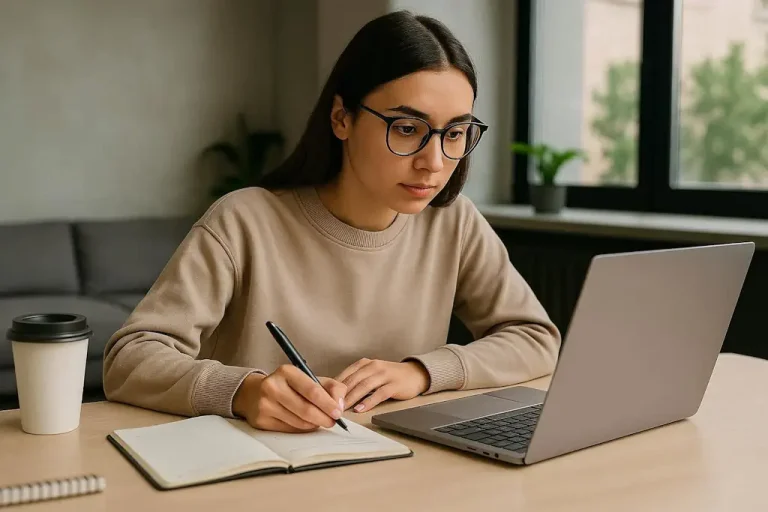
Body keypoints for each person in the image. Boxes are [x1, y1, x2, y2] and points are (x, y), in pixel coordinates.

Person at [102, 10, 561, 433]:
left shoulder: (453, 223)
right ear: (342, 118)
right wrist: (242, 391)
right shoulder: (244, 220)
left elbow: (536, 338)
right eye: (406, 129)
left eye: (455, 133)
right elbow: (130, 357)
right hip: (257, 470)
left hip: (400, 467)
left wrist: (421, 372)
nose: (434, 162)